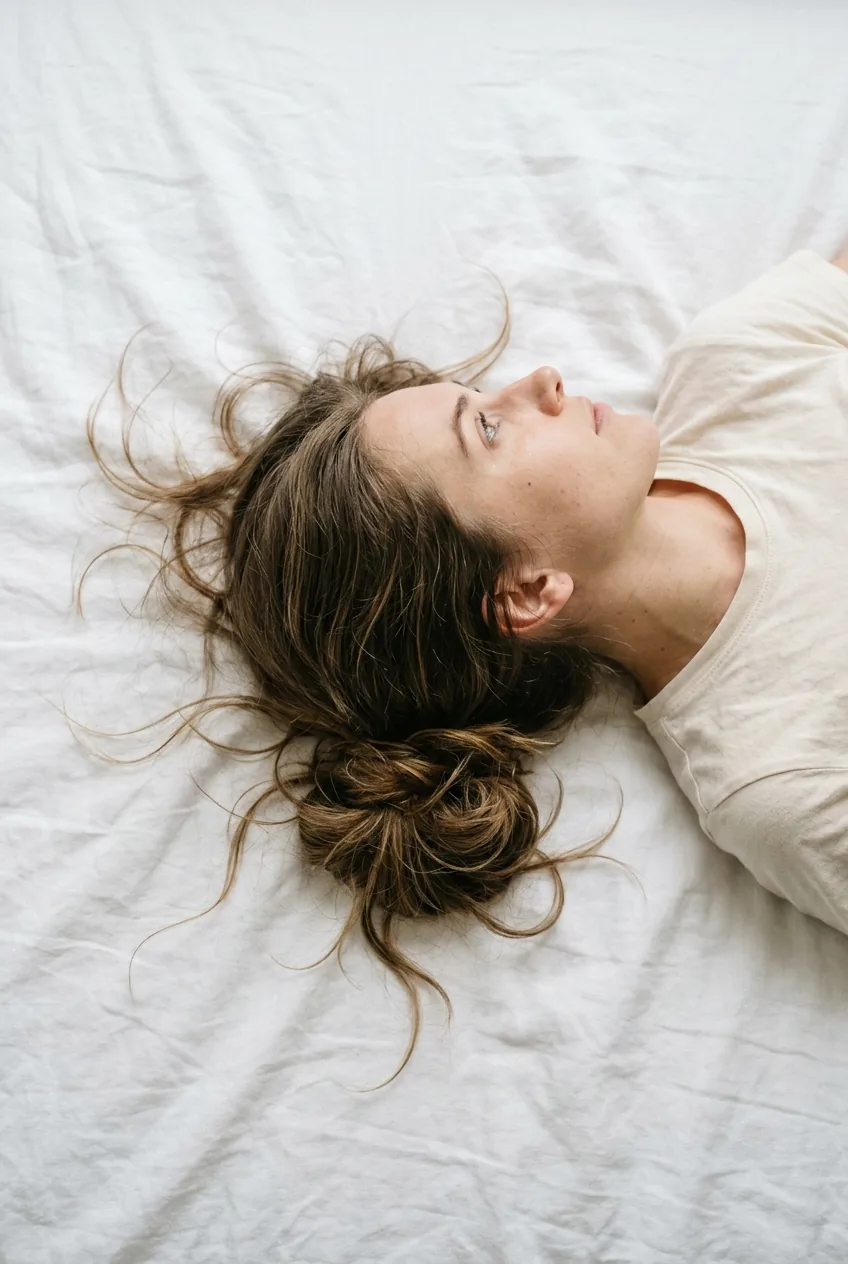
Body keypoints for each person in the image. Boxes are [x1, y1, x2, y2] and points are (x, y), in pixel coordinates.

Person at [86, 246, 848, 1073]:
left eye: (486, 397)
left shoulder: (744, 366)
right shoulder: (778, 782)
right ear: (526, 593)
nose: (543, 383)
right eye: (489, 427)